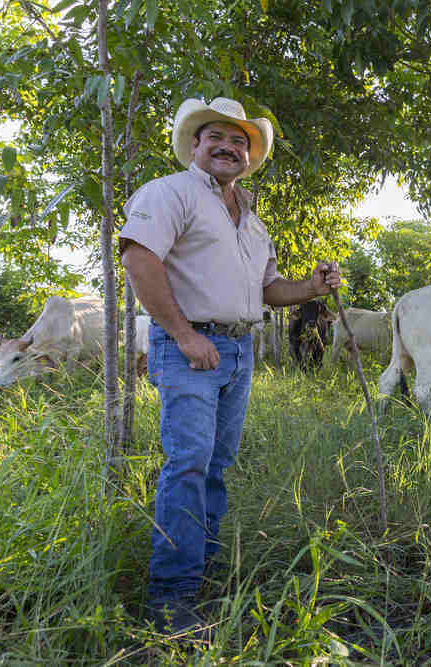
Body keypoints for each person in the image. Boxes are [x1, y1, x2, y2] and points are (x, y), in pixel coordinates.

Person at [119, 96, 341, 639]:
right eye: (216, 137)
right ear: (195, 145)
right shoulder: (170, 193)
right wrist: (183, 333)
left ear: (249, 153)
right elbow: (137, 256)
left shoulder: (251, 219)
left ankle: (200, 576)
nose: (228, 147)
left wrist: (312, 287)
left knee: (215, 467)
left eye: (239, 140)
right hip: (193, 348)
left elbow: (268, 289)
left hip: (238, 351)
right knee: (188, 466)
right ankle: (170, 599)